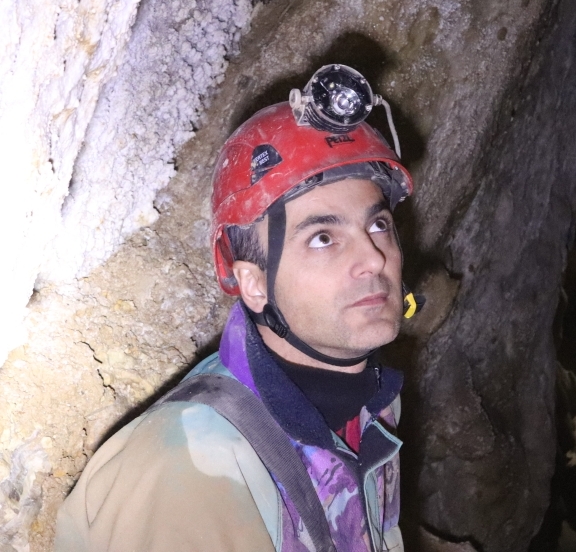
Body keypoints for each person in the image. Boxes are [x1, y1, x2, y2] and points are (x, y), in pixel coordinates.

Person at [55, 64, 419, 552]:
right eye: (323, 237)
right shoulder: (190, 472)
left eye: (378, 225)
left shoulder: (372, 404)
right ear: (253, 283)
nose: (373, 259)